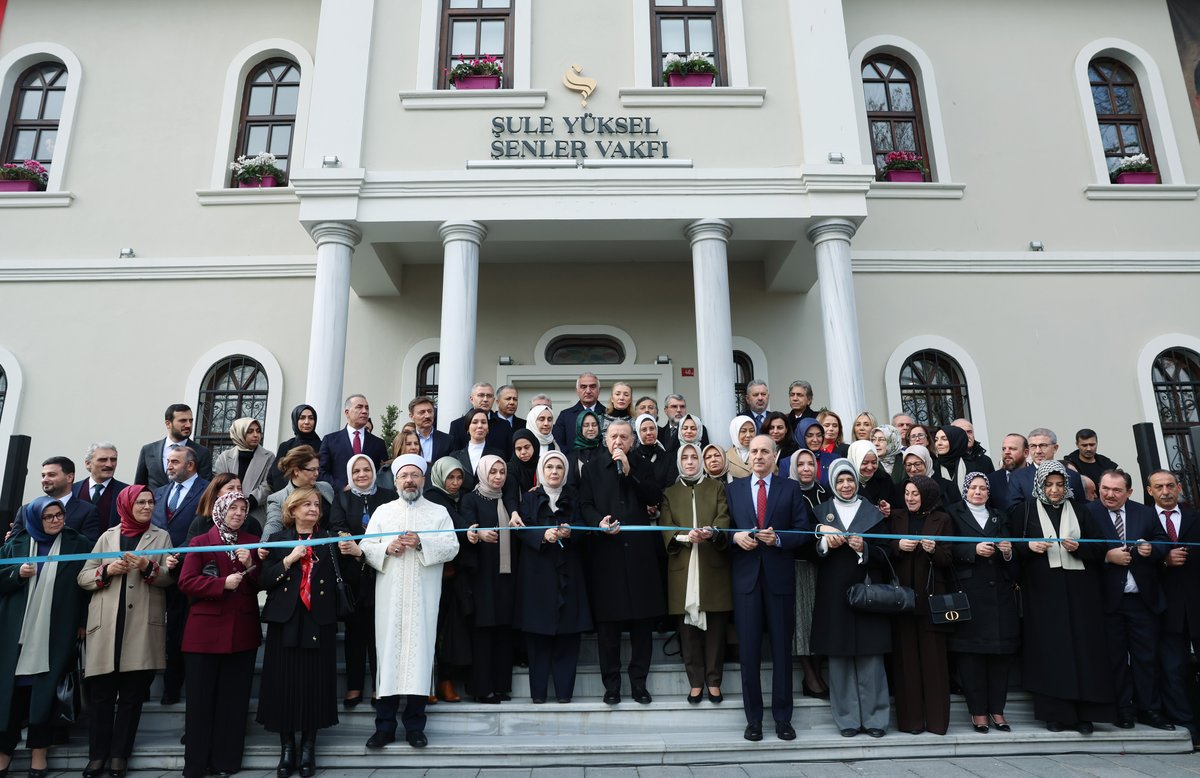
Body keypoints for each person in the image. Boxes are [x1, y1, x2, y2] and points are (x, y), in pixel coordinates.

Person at [361, 455, 460, 749]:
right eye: (404, 476)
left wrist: (421, 543)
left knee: (419, 657)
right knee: (389, 658)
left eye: (415, 476)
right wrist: (386, 548)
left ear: (424, 480)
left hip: (423, 598)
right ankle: (385, 727)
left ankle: (415, 727)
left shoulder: (438, 512)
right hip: (390, 598)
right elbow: (366, 545)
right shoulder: (383, 512)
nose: (409, 481)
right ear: (395, 482)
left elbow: (452, 546)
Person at [78, 486, 177, 778]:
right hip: (106, 628)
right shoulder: (107, 536)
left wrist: (148, 567)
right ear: (127, 505)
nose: (147, 506)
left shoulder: (162, 536)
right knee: (101, 697)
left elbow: (171, 578)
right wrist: (107, 571)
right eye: (141, 502)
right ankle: (97, 757)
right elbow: (83, 576)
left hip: (141, 629)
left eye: (150, 502)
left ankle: (120, 756)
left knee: (133, 697)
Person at [1013, 461, 1114, 733]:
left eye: (1059, 484)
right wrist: (1028, 548)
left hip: (1081, 594)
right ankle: (1056, 715)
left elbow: (1101, 548)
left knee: (1083, 650)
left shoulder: (1081, 511)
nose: (1055, 490)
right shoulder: (1024, 512)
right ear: (1039, 485)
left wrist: (1080, 548)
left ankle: (1085, 715)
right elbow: (1009, 550)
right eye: (1049, 484)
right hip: (1042, 594)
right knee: (1051, 652)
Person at [725, 435, 811, 742]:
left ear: (775, 457)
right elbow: (723, 529)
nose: (759, 456)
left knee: (781, 652)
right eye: (754, 451)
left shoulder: (790, 488)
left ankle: (783, 718)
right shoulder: (732, 489)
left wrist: (779, 540)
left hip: (779, 578)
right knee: (748, 653)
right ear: (747, 457)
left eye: (765, 451)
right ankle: (754, 720)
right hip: (746, 580)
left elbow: (802, 530)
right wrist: (735, 538)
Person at [0, 498, 89, 778]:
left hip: (56, 629)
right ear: (35, 519)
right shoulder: (16, 543)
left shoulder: (79, 543)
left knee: (45, 692)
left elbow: (87, 586)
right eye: (48, 517)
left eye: (59, 515)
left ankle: (39, 753)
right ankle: (3, 753)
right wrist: (17, 573)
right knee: (11, 695)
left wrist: (84, 623)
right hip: (16, 631)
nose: (55, 520)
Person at [579, 419, 666, 705]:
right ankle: (612, 685)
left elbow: (654, 496)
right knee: (609, 628)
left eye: (624, 437)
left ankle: (639, 684)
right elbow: (585, 505)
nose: (618, 441)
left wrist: (629, 474)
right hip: (607, 555)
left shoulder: (641, 464)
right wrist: (598, 522)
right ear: (606, 439)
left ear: (632, 441)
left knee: (642, 625)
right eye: (614, 436)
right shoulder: (592, 467)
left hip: (640, 556)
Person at [176, 491, 261, 778]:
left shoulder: (252, 542)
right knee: (200, 703)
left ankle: (227, 762)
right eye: (233, 508)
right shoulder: (200, 542)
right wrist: (221, 584)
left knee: (233, 703)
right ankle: (197, 765)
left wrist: (250, 566)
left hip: (242, 634)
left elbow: (262, 583)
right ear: (220, 510)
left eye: (243, 509)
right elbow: (186, 582)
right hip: (204, 635)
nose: (238, 513)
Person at [259, 488, 342, 778]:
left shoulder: (330, 539)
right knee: (283, 683)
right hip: (286, 619)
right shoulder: (277, 540)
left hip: (319, 619)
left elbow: (347, 577)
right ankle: (287, 750)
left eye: (317, 504)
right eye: (306, 504)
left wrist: (354, 553)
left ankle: (308, 748)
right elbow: (262, 580)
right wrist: (287, 560)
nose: (313, 508)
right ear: (292, 510)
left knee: (314, 684)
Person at [810, 458, 892, 739]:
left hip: (869, 592)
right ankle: (846, 719)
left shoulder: (874, 513)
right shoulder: (821, 513)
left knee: (871, 659)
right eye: (841, 480)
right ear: (833, 483)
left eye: (850, 480)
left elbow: (887, 553)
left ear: (857, 482)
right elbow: (808, 552)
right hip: (834, 594)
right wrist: (823, 542)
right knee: (840, 658)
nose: (846, 485)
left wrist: (864, 548)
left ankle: (876, 719)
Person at [1088, 469, 1173, 730]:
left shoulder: (1145, 513)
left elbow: (1163, 541)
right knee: (1114, 659)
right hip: (1107, 600)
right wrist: (1106, 557)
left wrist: (1151, 549)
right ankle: (1123, 710)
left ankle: (1149, 709)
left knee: (1145, 658)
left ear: (1129, 492)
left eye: (1116, 490)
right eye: (1105, 488)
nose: (1109, 494)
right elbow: (1083, 549)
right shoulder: (1088, 512)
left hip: (1142, 600)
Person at [514, 450, 592, 704]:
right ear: (541, 471)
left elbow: (585, 528)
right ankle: (538, 695)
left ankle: (564, 695)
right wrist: (541, 536)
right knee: (537, 638)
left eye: (559, 467)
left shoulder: (574, 497)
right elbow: (521, 529)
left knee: (568, 638)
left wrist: (571, 533)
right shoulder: (528, 499)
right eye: (550, 467)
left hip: (569, 573)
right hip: (537, 575)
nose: (555, 472)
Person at [659, 443, 732, 705]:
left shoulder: (716, 487)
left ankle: (714, 681)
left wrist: (712, 532)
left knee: (715, 627)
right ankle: (695, 681)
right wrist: (685, 536)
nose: (690, 462)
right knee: (687, 629)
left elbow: (723, 518)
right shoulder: (669, 492)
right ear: (679, 462)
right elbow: (666, 527)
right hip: (683, 564)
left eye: (694, 457)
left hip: (712, 563)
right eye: (685, 458)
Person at [946, 473, 1018, 734]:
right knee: (971, 658)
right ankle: (978, 713)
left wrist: (1008, 551)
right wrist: (972, 551)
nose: (978, 492)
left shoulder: (999, 515)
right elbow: (948, 549)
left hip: (999, 595)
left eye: (983, 488)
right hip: (970, 594)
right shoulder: (953, 513)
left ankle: (997, 710)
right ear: (965, 490)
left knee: (1000, 657)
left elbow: (1013, 548)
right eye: (973, 487)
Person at [329, 454, 397, 710]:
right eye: (356, 471)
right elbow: (336, 526)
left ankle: (381, 685)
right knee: (355, 634)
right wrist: (349, 541)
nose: (361, 475)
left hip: (383, 571)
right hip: (354, 575)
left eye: (366, 469)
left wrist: (370, 549)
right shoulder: (343, 498)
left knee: (380, 633)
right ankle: (354, 685)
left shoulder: (388, 496)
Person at [888, 476, 953, 735]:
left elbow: (948, 558)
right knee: (906, 663)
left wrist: (933, 550)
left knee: (934, 663)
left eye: (915, 493)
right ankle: (910, 723)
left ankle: (937, 724)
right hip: (902, 600)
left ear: (927, 494)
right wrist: (898, 546)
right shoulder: (896, 517)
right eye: (907, 493)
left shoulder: (943, 519)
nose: (910, 498)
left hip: (932, 599)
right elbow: (884, 550)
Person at [151, 445, 209, 705]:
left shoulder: (207, 490)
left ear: (190, 465)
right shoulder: (159, 492)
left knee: (179, 631)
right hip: (158, 571)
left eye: (175, 462)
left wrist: (181, 556)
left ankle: (173, 687)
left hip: (188, 570)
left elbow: (204, 530)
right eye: (168, 461)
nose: (169, 466)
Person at [458, 455, 518, 704]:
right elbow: (463, 528)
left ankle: (502, 685)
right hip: (481, 576)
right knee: (484, 631)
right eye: (492, 472)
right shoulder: (471, 499)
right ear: (482, 473)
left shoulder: (509, 500)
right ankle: (482, 688)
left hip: (507, 576)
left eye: (501, 472)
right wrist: (476, 534)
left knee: (504, 630)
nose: (497, 477)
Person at [1149, 469, 1200, 742]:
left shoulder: (1195, 518)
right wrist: (1163, 560)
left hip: (1196, 604)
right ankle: (1188, 729)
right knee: (1173, 670)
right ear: (1150, 491)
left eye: (1170, 485)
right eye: (1159, 487)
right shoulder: (1143, 520)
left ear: (1179, 487)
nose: (1166, 491)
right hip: (1165, 609)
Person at [421, 457, 471, 704]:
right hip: (434, 572)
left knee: (450, 631)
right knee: (432, 629)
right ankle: (429, 683)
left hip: (456, 575)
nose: (454, 482)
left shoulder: (462, 498)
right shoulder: (433, 496)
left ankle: (445, 680)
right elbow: (456, 525)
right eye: (450, 477)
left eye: (459, 477)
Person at [789, 448, 829, 700]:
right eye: (800, 464)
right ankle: (810, 675)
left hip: (825, 564)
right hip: (799, 564)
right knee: (802, 621)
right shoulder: (788, 492)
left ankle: (817, 672)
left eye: (810, 464)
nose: (805, 468)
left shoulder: (826, 491)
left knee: (820, 619)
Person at [9, 456, 101, 542]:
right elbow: (11, 546)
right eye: (43, 475)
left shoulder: (87, 511)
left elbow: (89, 548)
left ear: (69, 477)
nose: (45, 479)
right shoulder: (25, 510)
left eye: (51, 475)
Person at [213, 417, 276, 525]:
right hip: (228, 512)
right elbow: (219, 484)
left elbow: (268, 484)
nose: (256, 435)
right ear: (239, 433)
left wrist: (248, 502)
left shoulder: (269, 456)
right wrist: (235, 502)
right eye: (250, 431)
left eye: (258, 431)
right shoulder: (224, 457)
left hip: (256, 512)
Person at [134, 403, 213, 489]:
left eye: (190, 421)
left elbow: (205, 488)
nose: (188, 425)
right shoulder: (148, 450)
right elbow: (139, 487)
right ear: (168, 424)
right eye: (183, 421)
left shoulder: (202, 452)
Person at [264, 445, 335, 541]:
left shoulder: (326, 488)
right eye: (312, 469)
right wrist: (264, 545)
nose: (317, 473)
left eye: (318, 469)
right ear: (296, 471)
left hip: (327, 547)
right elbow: (273, 525)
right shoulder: (278, 498)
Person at [319, 394, 387, 492]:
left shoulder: (378, 443)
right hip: (339, 499)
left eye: (367, 408)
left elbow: (382, 474)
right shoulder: (330, 440)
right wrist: (342, 487)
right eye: (359, 407)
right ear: (347, 412)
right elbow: (322, 471)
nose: (364, 411)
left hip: (370, 499)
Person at [1006, 427, 1086, 509]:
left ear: (1055, 448)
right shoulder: (1018, 477)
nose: (1038, 451)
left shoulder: (1072, 475)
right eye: (1033, 446)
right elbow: (1014, 510)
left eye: (1043, 445)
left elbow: (1081, 508)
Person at [73, 442, 128, 530]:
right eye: (103, 460)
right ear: (88, 464)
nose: (109, 464)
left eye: (113, 459)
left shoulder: (127, 492)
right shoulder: (73, 490)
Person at [185, 473, 255, 542]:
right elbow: (190, 547)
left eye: (239, 488)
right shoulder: (200, 522)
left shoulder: (251, 522)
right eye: (231, 488)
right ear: (217, 493)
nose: (236, 492)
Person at [269, 404, 322, 492]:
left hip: (315, 495)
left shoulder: (322, 446)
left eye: (311, 418)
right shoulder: (286, 446)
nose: (306, 422)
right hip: (289, 496)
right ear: (295, 420)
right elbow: (276, 475)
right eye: (302, 418)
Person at [450, 408, 503, 492]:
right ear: (467, 428)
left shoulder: (498, 455)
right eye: (475, 422)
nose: (480, 426)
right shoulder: (455, 456)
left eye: (483, 422)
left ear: (488, 428)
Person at [552, 372, 604, 451]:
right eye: (583, 387)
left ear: (599, 390)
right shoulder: (565, 416)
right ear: (577, 391)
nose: (588, 391)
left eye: (592, 387)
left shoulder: (609, 414)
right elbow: (559, 443)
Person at [848, 439, 896, 511]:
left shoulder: (884, 479)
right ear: (855, 461)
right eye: (864, 463)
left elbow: (897, 506)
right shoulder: (843, 480)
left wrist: (888, 509)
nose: (870, 467)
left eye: (874, 462)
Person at [987, 433, 1029, 511]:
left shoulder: (1036, 475)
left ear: (1025, 453)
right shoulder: (991, 480)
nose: (1006, 452)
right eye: (1004, 449)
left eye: (1012, 448)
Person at [632, 413, 673, 489]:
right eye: (644, 430)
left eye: (652, 428)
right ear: (638, 432)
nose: (649, 433)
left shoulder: (666, 457)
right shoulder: (633, 457)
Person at [409, 395, 453, 464]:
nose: (427, 416)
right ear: (411, 416)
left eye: (430, 411)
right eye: (422, 412)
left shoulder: (447, 440)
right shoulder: (405, 439)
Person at [565, 410, 603, 484]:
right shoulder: (572, 457)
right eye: (586, 425)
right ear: (579, 428)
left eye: (594, 425)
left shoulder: (607, 452)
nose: (591, 428)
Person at [504, 428, 540, 505]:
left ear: (534, 445)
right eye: (519, 449)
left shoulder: (544, 464)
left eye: (527, 447)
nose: (523, 452)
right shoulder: (510, 468)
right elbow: (511, 495)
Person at [932, 425, 971, 491]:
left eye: (944, 439)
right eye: (936, 440)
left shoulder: (975, 464)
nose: (938, 443)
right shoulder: (933, 467)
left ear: (956, 441)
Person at [725, 415, 755, 480]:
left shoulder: (763, 454)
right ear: (735, 433)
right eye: (743, 431)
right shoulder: (726, 457)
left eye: (752, 431)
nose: (748, 435)